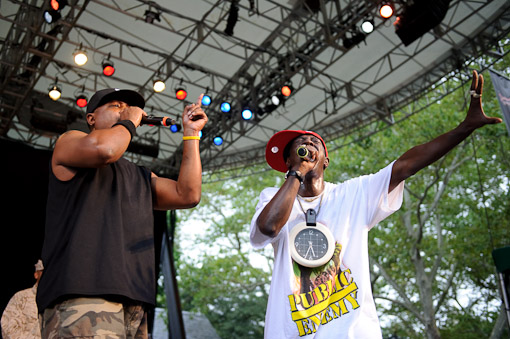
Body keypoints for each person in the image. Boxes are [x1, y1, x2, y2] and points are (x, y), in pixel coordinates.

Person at [250, 70, 502, 338]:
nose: (309, 144)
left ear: (325, 161)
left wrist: (465, 128)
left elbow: (405, 166)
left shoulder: (354, 193)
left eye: (315, 143)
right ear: (288, 160)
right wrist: (296, 174)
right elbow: (267, 228)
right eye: (300, 144)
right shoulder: (272, 196)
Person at [36, 88, 208, 338]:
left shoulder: (139, 175)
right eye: (116, 105)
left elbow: (188, 195)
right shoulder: (69, 142)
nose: (125, 110)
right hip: (82, 293)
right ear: (91, 118)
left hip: (134, 300)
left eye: (128, 107)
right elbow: (105, 150)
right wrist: (129, 120)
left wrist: (191, 135)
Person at [1, 260, 44, 339]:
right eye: (43, 271)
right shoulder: (21, 297)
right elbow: (8, 329)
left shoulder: (60, 300)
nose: (47, 275)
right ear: (36, 274)